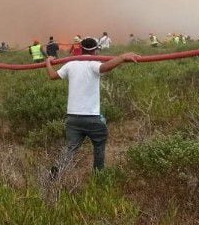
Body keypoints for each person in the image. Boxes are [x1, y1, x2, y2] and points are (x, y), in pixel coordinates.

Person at [46, 37, 139, 170]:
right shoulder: (94, 64)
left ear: (80, 49)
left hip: (72, 118)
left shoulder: (71, 64)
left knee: (70, 149)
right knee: (99, 145)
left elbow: (53, 76)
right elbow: (105, 67)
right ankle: (98, 175)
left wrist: (48, 62)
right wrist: (123, 57)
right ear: (95, 50)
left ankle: (55, 176)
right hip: (91, 118)